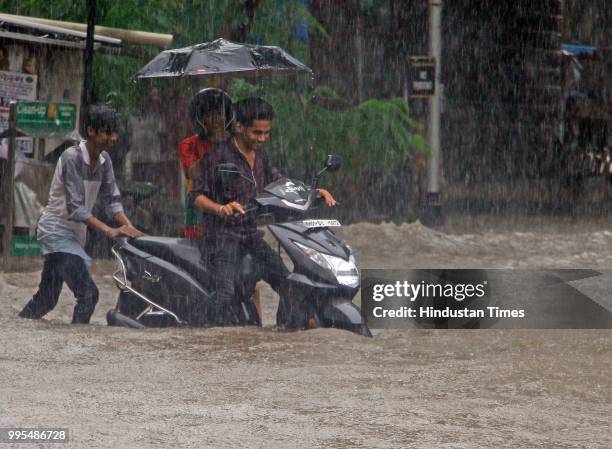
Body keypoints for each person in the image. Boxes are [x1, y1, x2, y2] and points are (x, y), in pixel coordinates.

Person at [190, 97, 336, 325]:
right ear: (239, 127)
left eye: (267, 133)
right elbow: (196, 195)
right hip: (222, 238)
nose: (262, 139)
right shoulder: (219, 156)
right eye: (257, 133)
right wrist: (221, 208)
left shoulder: (261, 158)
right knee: (225, 294)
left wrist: (314, 192)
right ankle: (195, 328)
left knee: (287, 283)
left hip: (251, 236)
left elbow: (280, 184)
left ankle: (295, 329)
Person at [18, 104, 144, 324]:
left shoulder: (105, 162)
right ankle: (75, 347)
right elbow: (76, 208)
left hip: (74, 236)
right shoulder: (72, 158)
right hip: (56, 232)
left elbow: (112, 201)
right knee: (89, 295)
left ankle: (17, 326)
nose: (112, 138)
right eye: (106, 132)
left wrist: (128, 226)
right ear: (91, 131)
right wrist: (110, 230)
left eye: (114, 132)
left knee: (47, 299)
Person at [178, 88, 233, 240]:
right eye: (210, 115)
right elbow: (191, 173)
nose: (215, 119)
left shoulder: (234, 143)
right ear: (200, 119)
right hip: (199, 213)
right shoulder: (188, 144)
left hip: (228, 209)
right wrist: (216, 147)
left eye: (219, 114)